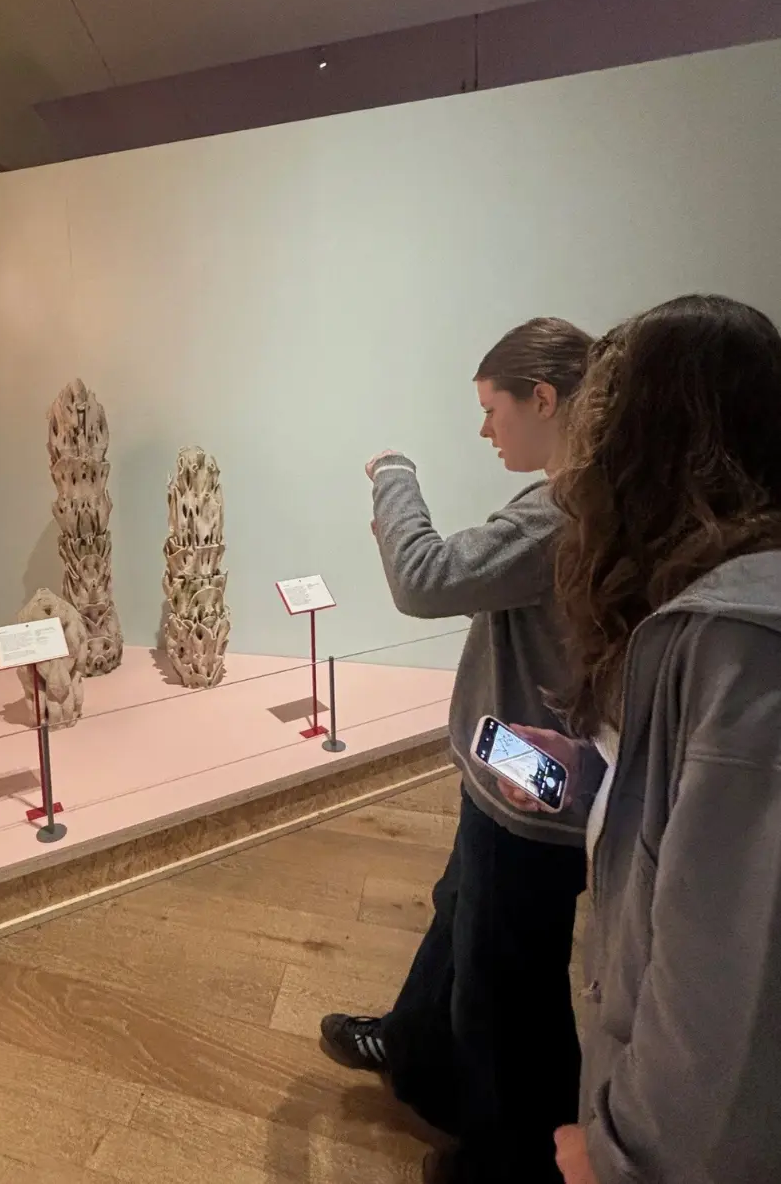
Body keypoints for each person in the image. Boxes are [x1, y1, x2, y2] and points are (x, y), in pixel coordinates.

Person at [320, 317, 599, 1184]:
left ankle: (515, 1157)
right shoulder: (581, 496)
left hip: (532, 786)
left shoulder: (560, 510)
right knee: (461, 912)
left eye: (492, 409)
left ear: (542, 399)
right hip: (520, 767)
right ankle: (415, 1050)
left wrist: (393, 475)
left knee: (505, 977)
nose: (485, 430)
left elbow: (425, 579)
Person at [511, 295, 781, 1184]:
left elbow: (727, 976)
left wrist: (624, 1156)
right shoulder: (709, 616)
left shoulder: (739, 641)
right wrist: (597, 777)